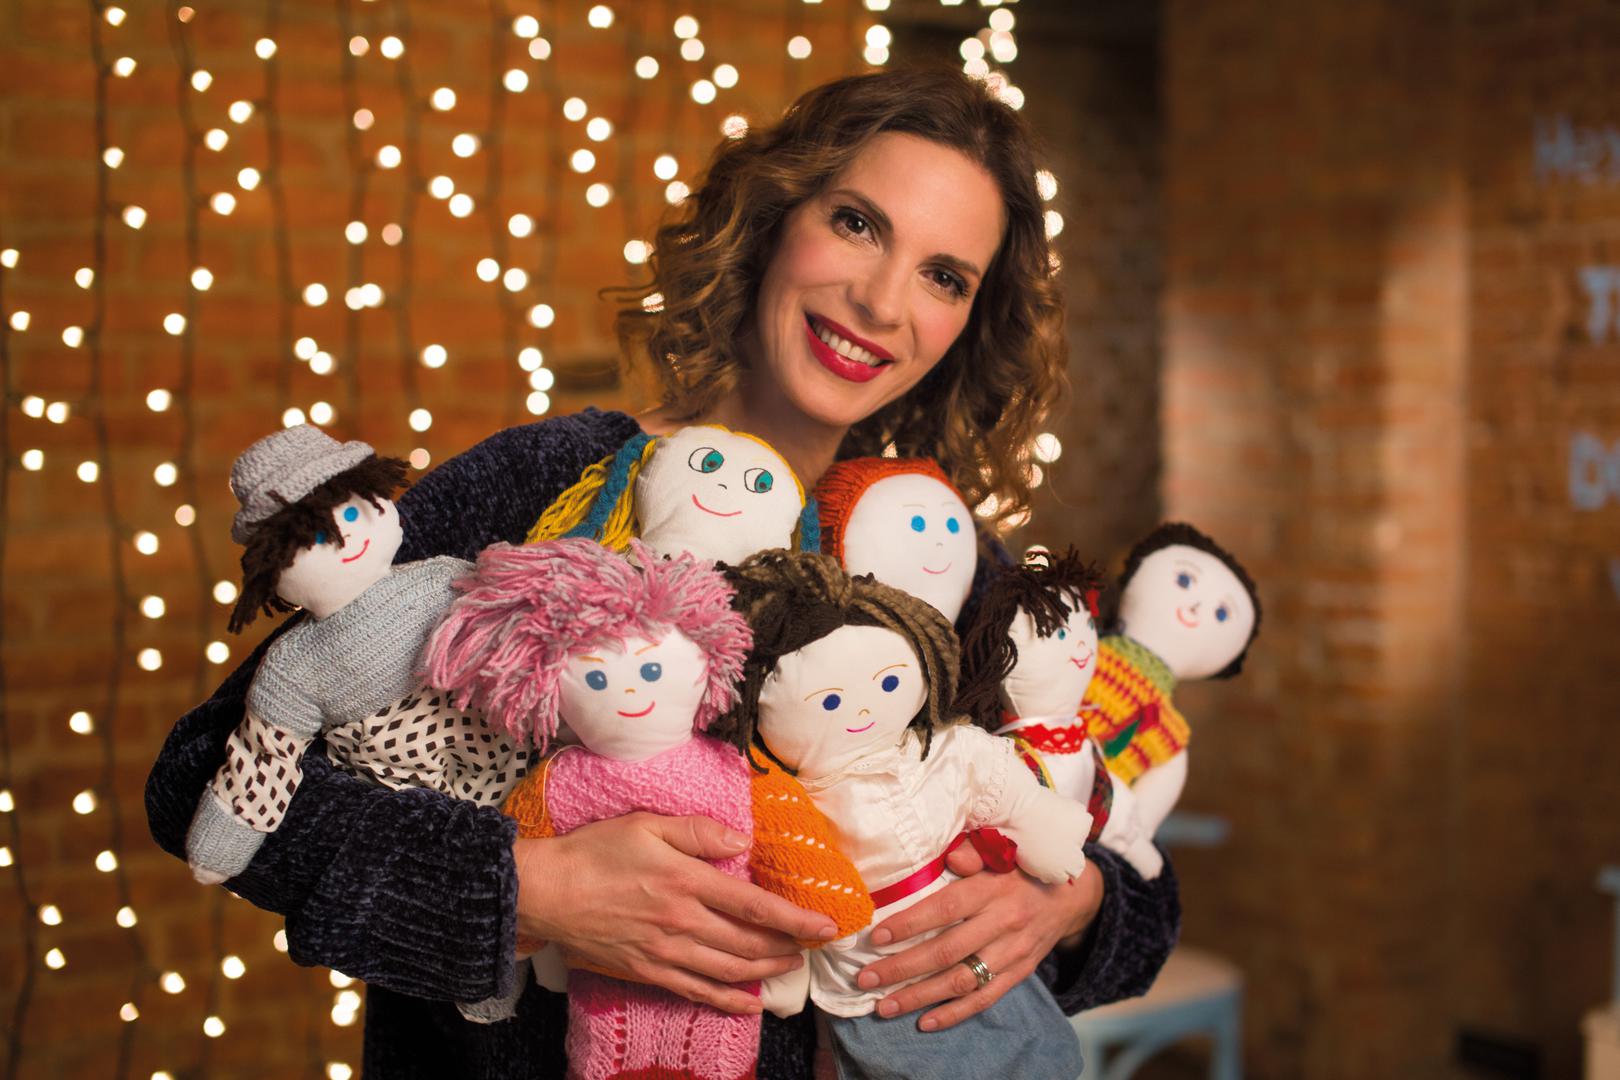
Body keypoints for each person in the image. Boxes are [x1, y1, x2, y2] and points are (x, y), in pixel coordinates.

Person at [145, 67, 1181, 1078]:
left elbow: (1140, 869)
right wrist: (522, 888)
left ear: (970, 324)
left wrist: (1074, 901)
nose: (879, 301)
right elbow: (200, 774)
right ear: (773, 219)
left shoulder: (947, 561)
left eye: (943, 276)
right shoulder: (552, 482)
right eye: (858, 223)